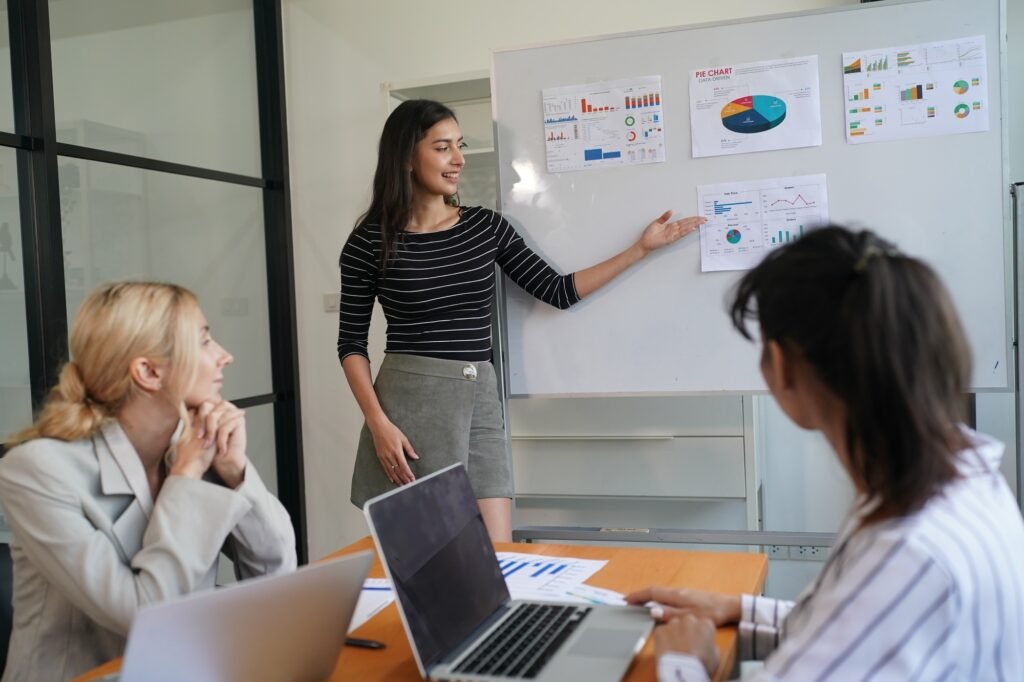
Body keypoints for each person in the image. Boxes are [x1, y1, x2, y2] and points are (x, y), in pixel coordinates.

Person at [625, 226, 1024, 681]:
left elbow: (874, 617)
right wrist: (736, 609)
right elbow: (862, 632)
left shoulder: (908, 549)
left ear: (780, 366)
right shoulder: (961, 478)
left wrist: (685, 664)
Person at [338, 99, 705, 542]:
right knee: (426, 561)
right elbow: (351, 345)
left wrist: (639, 250)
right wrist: (378, 424)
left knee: (499, 551)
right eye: (442, 147)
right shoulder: (368, 241)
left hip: (480, 401)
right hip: (408, 410)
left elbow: (558, 291)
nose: (457, 159)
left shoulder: (486, 228)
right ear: (406, 158)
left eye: (460, 145)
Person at [0, 282, 297, 681]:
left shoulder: (188, 443)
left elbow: (276, 575)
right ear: (148, 372)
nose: (226, 356)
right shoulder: (35, 470)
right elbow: (144, 615)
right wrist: (186, 477)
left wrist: (235, 470)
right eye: (205, 341)